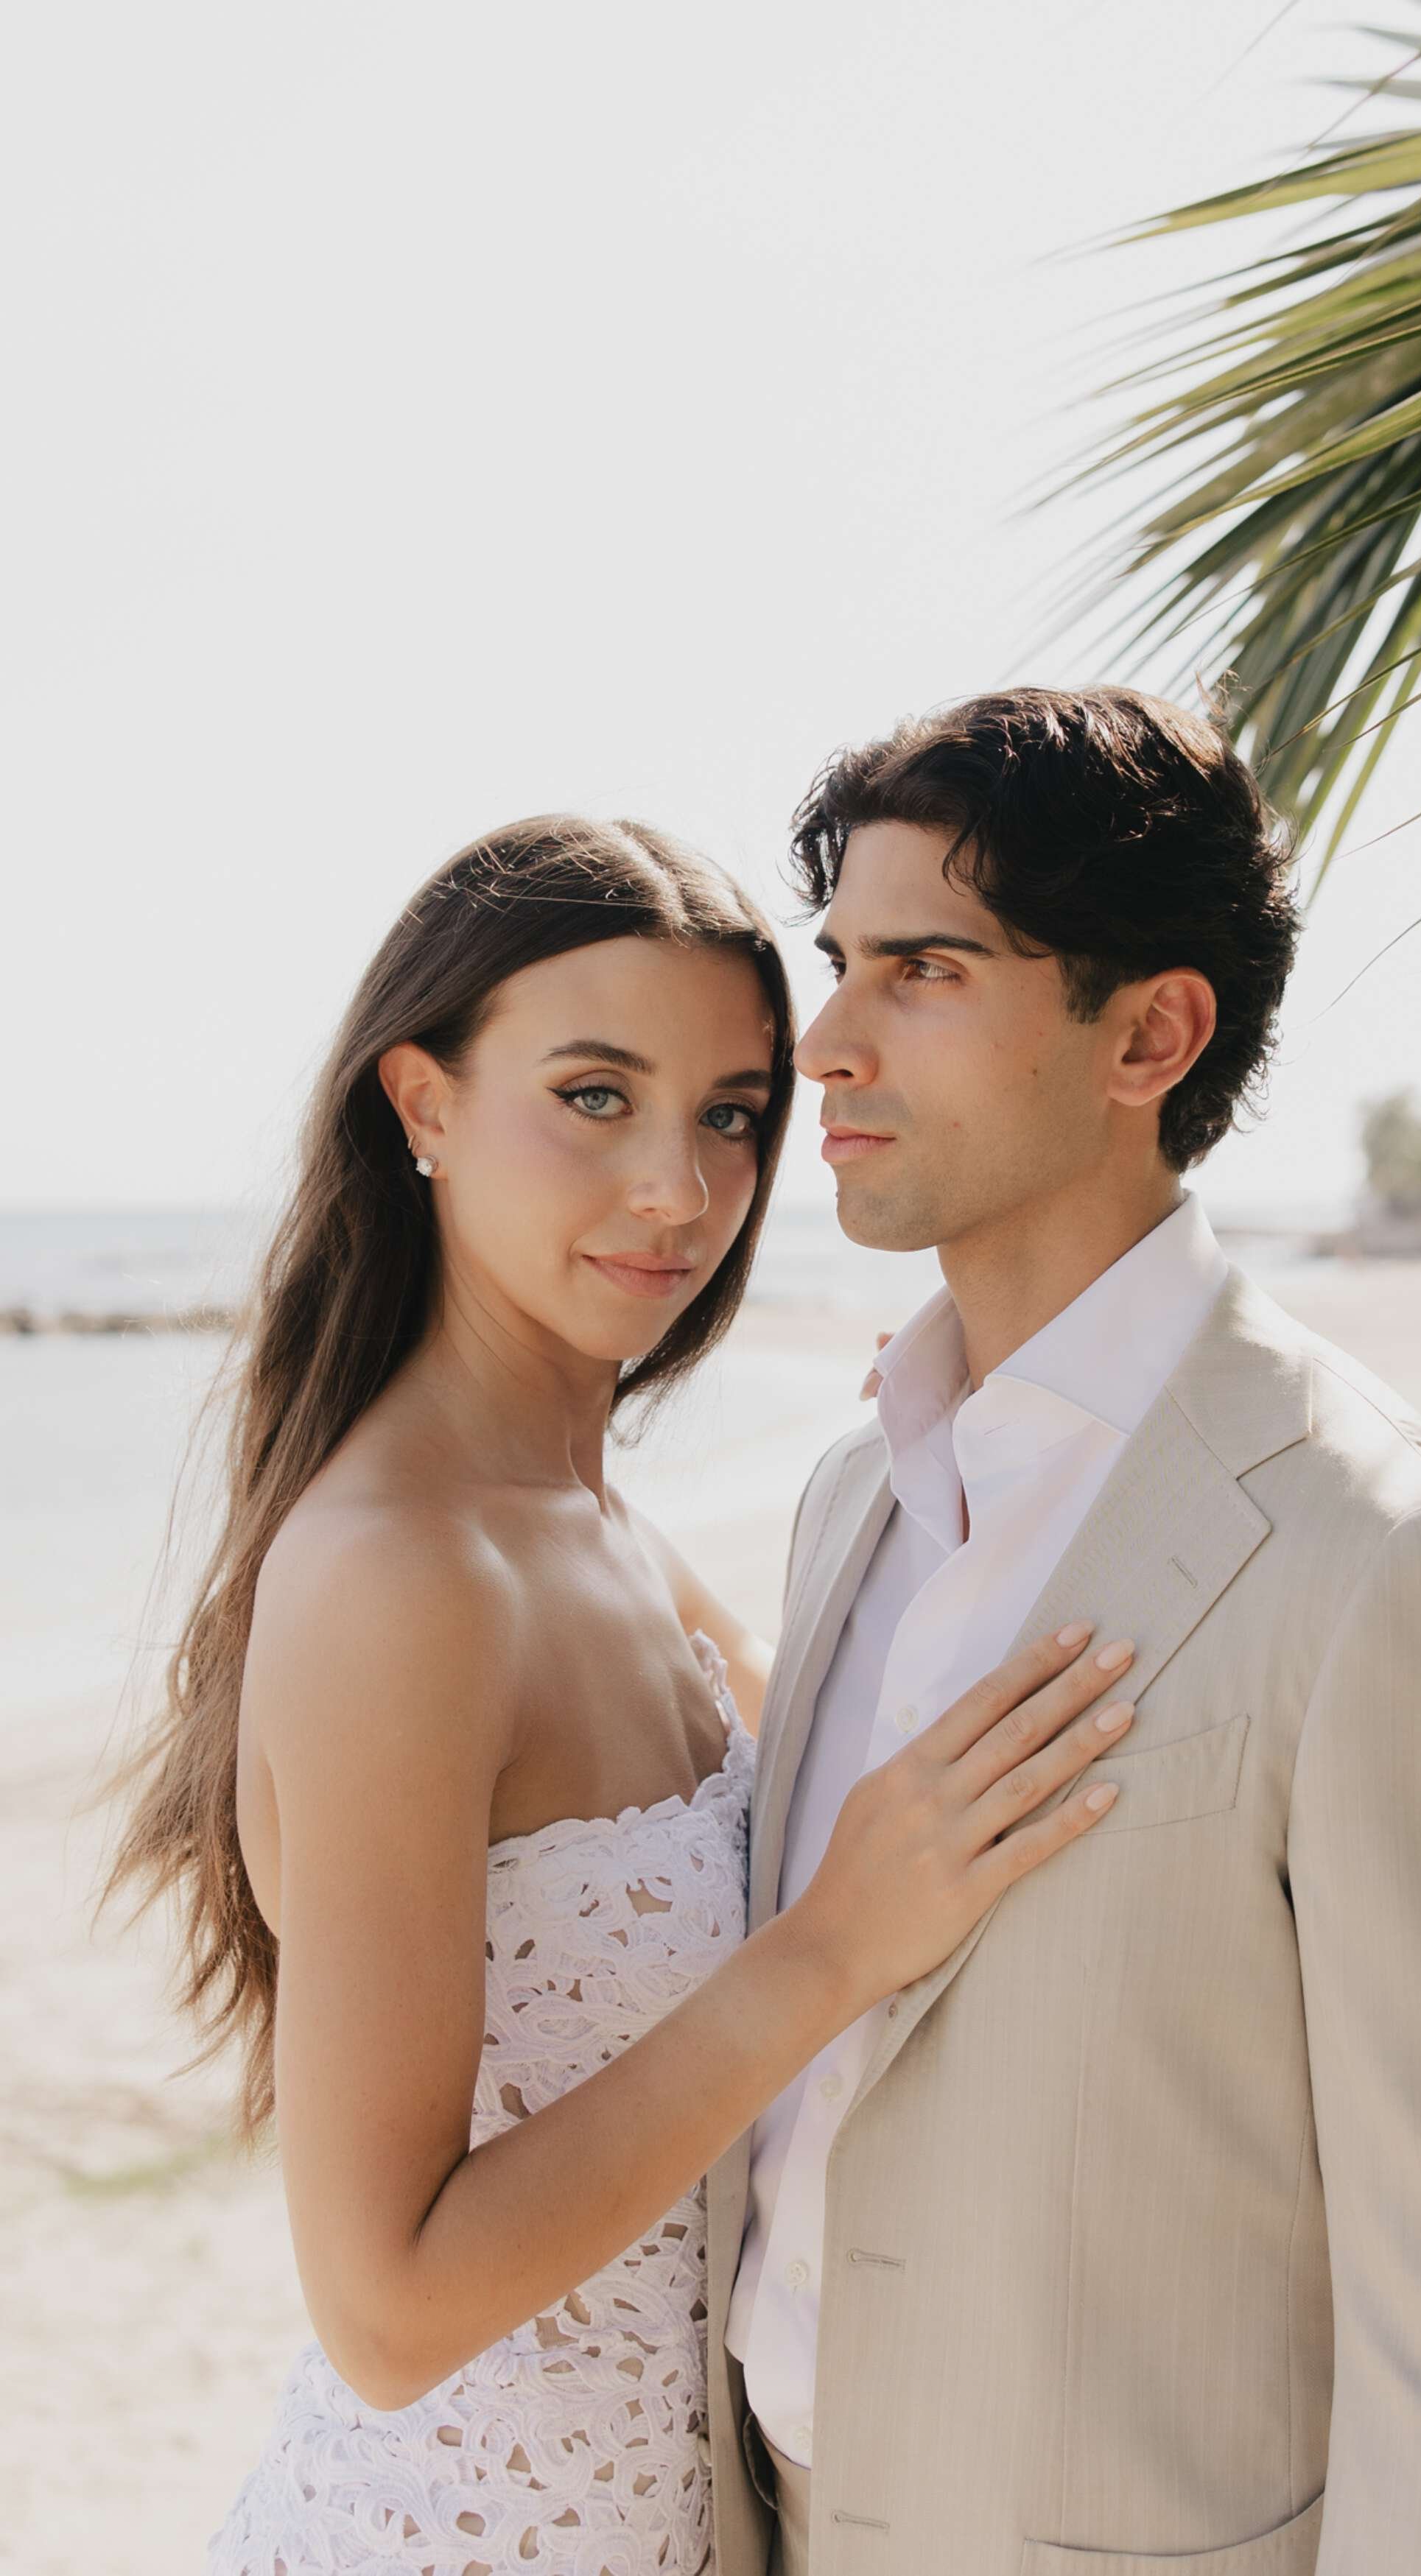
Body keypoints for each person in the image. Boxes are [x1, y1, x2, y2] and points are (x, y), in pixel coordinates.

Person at [106, 814, 1137, 2576]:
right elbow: (389, 2310)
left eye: (731, 1115)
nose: (679, 1189)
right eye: (595, 1097)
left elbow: (886, 1786)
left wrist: (972, 1438)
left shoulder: (605, 1528)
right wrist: (818, 1957)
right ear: (420, 1105)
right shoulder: (398, 1576)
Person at [710, 689, 1421, 2576]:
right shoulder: (843, 1503)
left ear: (1152, 1031)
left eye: (925, 971)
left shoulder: (1404, 1569)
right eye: (838, 965)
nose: (829, 1045)